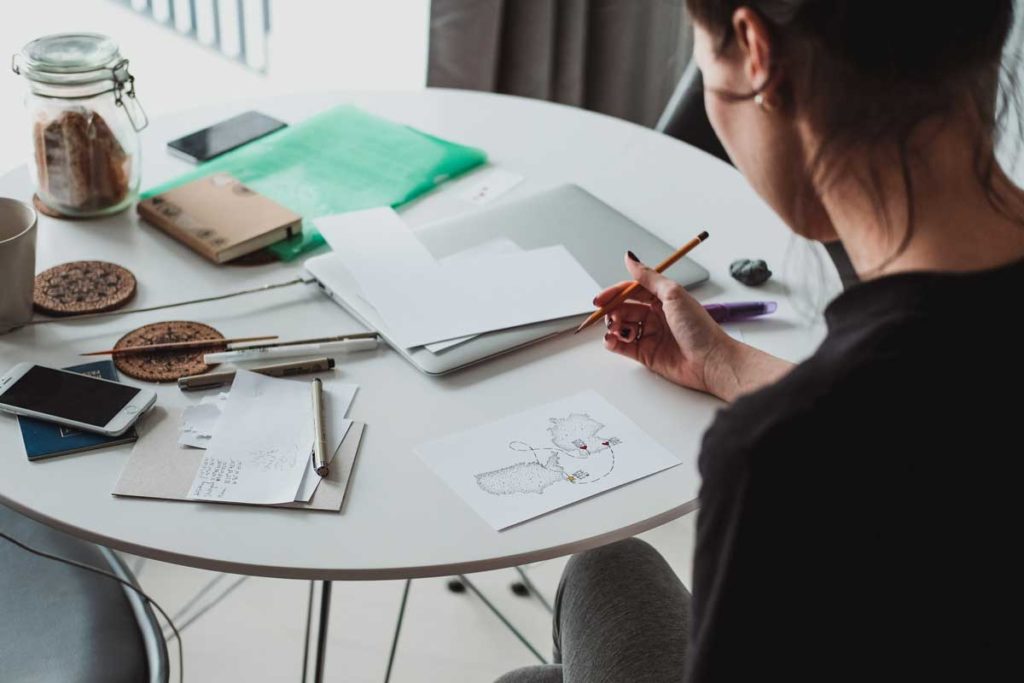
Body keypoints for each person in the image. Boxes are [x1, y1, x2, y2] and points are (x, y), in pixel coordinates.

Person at [498, 1, 1024, 681]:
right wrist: (724, 360)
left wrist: (781, 413)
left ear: (756, 52)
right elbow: (940, 417)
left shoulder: (780, 457)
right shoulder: (866, 412)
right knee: (607, 571)